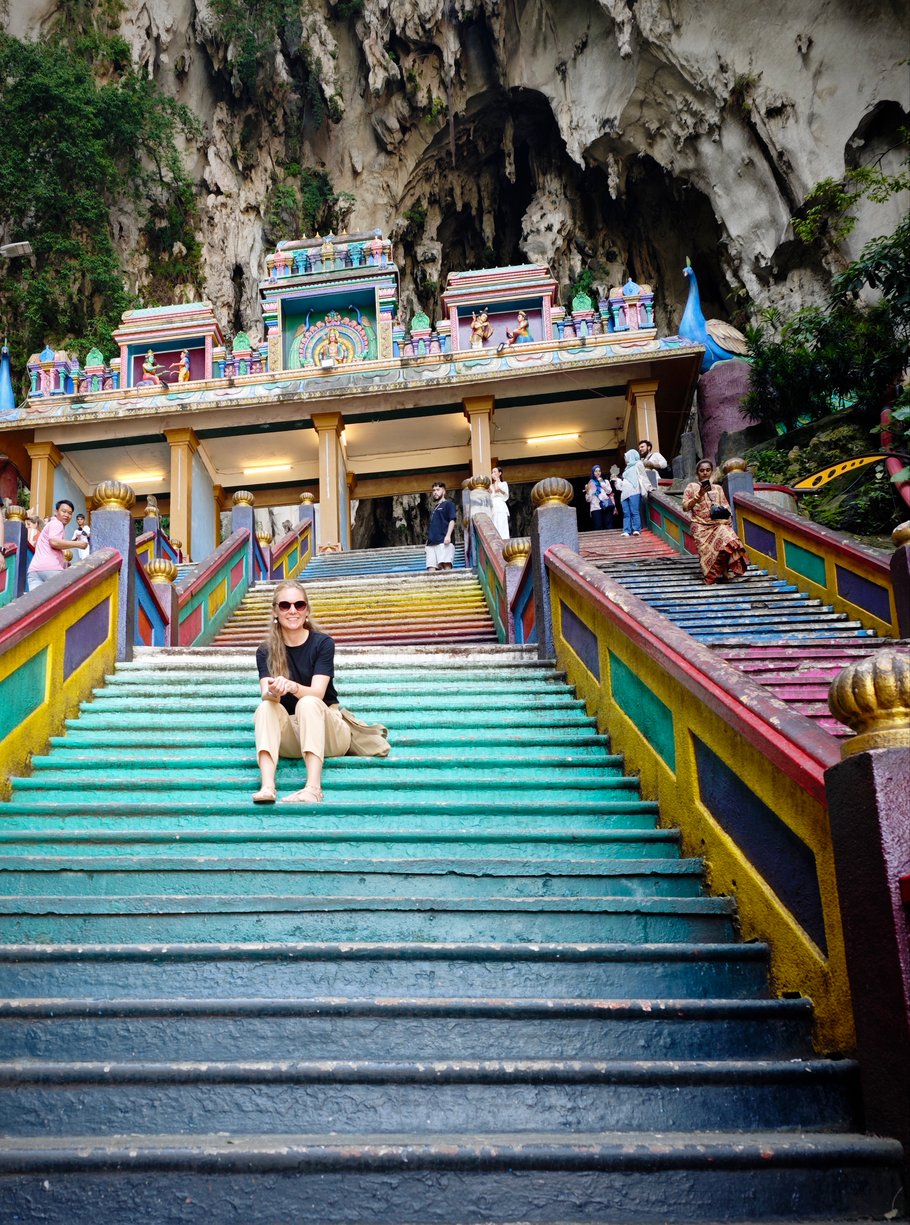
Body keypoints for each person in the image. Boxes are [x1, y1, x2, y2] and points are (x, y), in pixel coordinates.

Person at [252, 581, 388, 804]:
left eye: (299, 605)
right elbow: (265, 694)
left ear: (307, 610)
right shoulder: (265, 651)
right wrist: (274, 691)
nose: (293, 610)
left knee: (308, 702)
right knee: (266, 707)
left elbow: (317, 692)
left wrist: (293, 687)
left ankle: (313, 788)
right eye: (285, 605)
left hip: (329, 734)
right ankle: (268, 786)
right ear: (275, 611)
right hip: (293, 737)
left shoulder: (322, 643)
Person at [682, 459, 749, 585]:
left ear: (711, 472)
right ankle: (710, 576)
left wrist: (728, 521)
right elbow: (685, 507)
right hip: (700, 525)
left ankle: (725, 571)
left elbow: (726, 506)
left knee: (729, 541)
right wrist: (699, 495)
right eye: (702, 470)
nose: (705, 473)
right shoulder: (691, 487)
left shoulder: (718, 488)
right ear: (697, 473)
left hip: (718, 523)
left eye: (708, 470)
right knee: (707, 553)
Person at [27, 499, 89, 589]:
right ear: (56, 512)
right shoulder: (57, 524)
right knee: (68, 592)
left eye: (70, 513)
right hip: (50, 568)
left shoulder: (51, 524)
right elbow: (54, 542)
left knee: (37, 598)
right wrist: (78, 544)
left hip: (34, 570)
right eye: (64, 511)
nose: (67, 515)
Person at [426, 481, 457, 571]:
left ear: (444, 491)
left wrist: (448, 535)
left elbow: (452, 520)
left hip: (443, 540)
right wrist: (427, 541)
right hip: (431, 542)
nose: (435, 492)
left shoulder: (449, 504)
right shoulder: (435, 508)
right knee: (431, 567)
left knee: (446, 564)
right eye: (434, 490)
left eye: (438, 490)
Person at [619, 448, 649, 536]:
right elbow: (623, 483)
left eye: (626, 456)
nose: (625, 458)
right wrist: (617, 481)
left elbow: (643, 476)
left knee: (634, 511)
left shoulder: (638, 464)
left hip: (634, 491)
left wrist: (648, 486)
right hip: (624, 493)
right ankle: (627, 530)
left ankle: (636, 529)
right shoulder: (626, 469)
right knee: (626, 513)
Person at [584, 464, 615, 530]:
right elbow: (588, 500)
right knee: (598, 527)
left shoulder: (605, 481)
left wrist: (601, 481)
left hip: (606, 505)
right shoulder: (590, 483)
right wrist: (587, 492)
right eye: (596, 471)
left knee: (609, 525)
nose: (598, 472)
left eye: (599, 471)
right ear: (593, 473)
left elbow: (609, 491)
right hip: (596, 507)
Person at [489, 466, 510, 538]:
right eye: (492, 472)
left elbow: (497, 489)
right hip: (493, 506)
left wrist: (497, 480)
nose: (493, 473)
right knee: (494, 524)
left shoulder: (503, 484)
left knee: (502, 524)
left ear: (500, 473)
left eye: (495, 472)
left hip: (500, 505)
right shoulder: (490, 486)